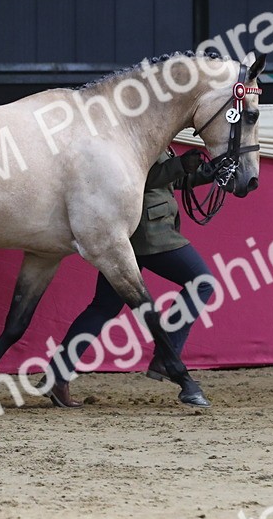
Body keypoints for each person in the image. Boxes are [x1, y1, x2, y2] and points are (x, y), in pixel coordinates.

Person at [41, 147, 218, 409]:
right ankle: (166, 358)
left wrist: (208, 173)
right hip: (149, 232)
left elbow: (170, 179)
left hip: (139, 231)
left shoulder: (156, 133)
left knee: (103, 306)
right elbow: (140, 175)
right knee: (201, 281)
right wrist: (180, 164)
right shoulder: (136, 135)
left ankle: (57, 375)